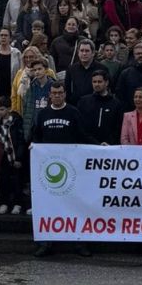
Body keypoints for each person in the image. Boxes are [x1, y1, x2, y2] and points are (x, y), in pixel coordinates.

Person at [32, 81, 91, 258]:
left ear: (65, 94)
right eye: (54, 93)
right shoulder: (43, 114)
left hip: (71, 169)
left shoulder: (73, 112)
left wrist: (100, 147)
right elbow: (36, 137)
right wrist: (33, 147)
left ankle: (80, 242)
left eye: (60, 93)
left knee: (76, 205)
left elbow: (82, 135)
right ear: (49, 95)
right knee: (47, 206)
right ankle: (45, 242)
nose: (57, 96)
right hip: (48, 170)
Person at [0, 101, 29, 214]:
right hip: (3, 157)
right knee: (4, 181)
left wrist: (19, 158)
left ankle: (17, 204)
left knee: (17, 181)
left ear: (8, 109)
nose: (0, 112)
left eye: (2, 109)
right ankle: (4, 203)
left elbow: (21, 140)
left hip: (15, 155)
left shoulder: (16, 121)